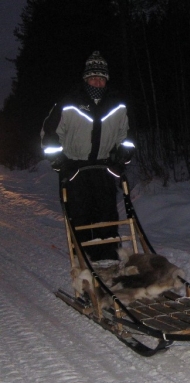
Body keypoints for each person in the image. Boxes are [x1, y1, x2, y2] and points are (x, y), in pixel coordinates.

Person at [41, 51, 135, 261]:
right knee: (80, 216)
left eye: (101, 78)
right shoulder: (68, 103)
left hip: (104, 168)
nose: (97, 82)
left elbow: (125, 135)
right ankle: (84, 264)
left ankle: (109, 261)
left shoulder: (117, 105)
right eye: (93, 77)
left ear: (106, 80)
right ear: (85, 78)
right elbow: (49, 134)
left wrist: (123, 155)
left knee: (107, 216)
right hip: (74, 169)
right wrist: (59, 161)